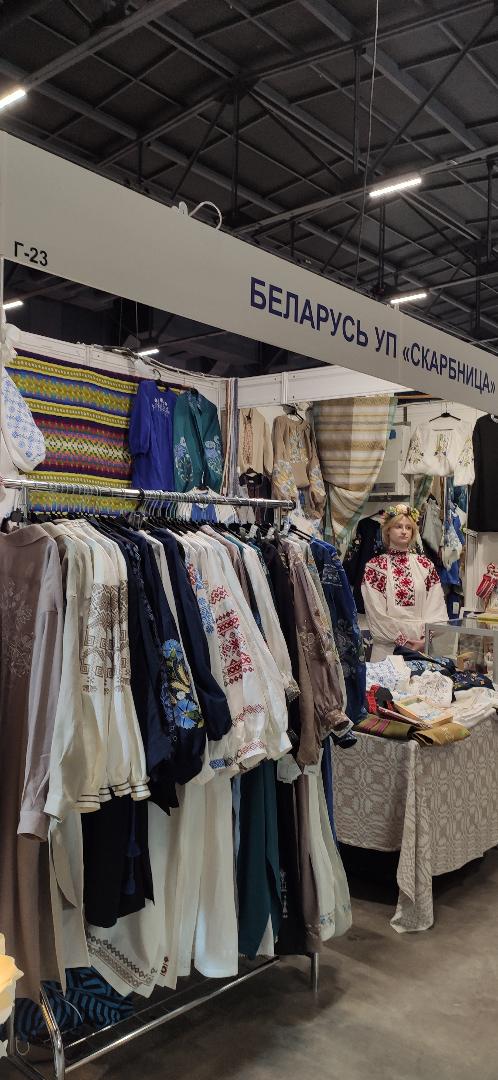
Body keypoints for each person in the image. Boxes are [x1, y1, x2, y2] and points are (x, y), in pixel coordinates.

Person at [361, 504, 447, 662]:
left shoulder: (425, 565)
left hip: (421, 649)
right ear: (388, 530)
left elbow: (436, 607)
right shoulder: (375, 567)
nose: (404, 531)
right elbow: (376, 613)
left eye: (408, 527)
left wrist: (423, 641)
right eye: (398, 526)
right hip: (387, 650)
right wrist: (403, 642)